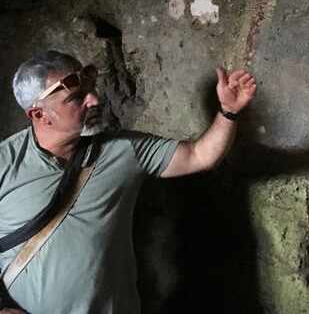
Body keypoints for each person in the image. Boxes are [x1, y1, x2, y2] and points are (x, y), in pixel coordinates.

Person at [0, 50, 257, 314]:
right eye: (76, 98)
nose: (94, 100)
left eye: (90, 89)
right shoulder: (4, 163)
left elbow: (199, 155)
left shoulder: (123, 149)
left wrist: (228, 112)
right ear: (39, 115)